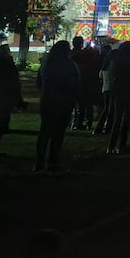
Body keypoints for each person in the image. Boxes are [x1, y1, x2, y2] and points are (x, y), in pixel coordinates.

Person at [35, 40, 80, 172]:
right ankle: (52, 161)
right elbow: (75, 83)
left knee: (45, 132)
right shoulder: (69, 65)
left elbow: (39, 83)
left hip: (48, 101)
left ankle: (39, 162)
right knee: (58, 133)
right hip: (64, 101)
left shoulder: (46, 64)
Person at [107, 42, 130, 154]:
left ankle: (112, 146)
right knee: (126, 119)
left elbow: (111, 75)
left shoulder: (117, 60)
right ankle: (121, 145)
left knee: (118, 118)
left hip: (120, 91)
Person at [92, 44, 115, 135]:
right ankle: (104, 128)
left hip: (105, 89)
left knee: (106, 109)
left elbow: (100, 76)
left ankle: (102, 127)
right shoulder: (111, 67)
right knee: (109, 110)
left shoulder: (103, 67)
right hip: (110, 89)